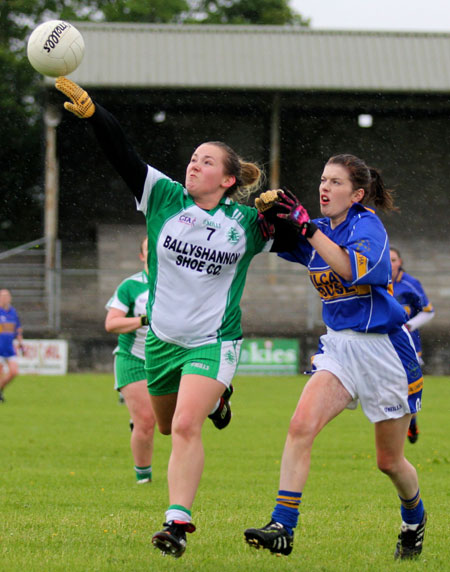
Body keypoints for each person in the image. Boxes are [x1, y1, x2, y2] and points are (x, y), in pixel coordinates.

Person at [55, 76, 273, 558]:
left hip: (212, 342)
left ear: (229, 180)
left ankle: (176, 522)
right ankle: (219, 402)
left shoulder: (246, 224)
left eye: (207, 161)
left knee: (188, 428)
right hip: (161, 340)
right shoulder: (164, 197)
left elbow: (302, 239)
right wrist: (96, 117)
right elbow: (123, 155)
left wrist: (288, 216)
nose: (195, 164)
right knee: (170, 425)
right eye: (193, 158)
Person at [244, 154, 426, 560]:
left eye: (336, 183)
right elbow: (275, 240)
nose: (325, 188)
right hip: (341, 347)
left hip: (385, 353)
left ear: (357, 194)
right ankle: (282, 526)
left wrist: (305, 227)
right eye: (323, 180)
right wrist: (266, 221)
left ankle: (414, 519)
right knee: (300, 426)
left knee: (389, 461)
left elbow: (348, 268)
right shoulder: (319, 228)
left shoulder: (368, 227)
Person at [105, 237, 156, 484]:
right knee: (146, 421)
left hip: (168, 359)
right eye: (149, 249)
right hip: (133, 358)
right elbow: (111, 323)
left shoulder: (181, 283)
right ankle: (143, 478)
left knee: (175, 421)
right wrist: (143, 320)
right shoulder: (131, 286)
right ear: (142, 256)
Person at [390, 247, 435, 444]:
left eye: (393, 259)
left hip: (408, 344)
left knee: (407, 387)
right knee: (391, 388)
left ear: (400, 262)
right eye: (387, 259)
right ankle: (399, 425)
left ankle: (411, 421)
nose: (390, 263)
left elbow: (428, 311)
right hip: (383, 343)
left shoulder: (409, 284)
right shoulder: (376, 281)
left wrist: (409, 325)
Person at [0, 289, 23, 402]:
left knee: (14, 372)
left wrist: (20, 341)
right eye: (3, 296)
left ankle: (0, 390)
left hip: (9, 348)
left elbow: (18, 328)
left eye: (7, 296)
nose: (5, 298)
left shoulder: (13, 312)